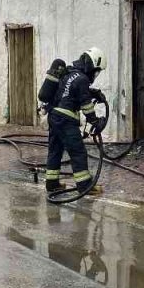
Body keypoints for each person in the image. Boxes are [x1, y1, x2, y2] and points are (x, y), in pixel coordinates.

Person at [45, 48, 107, 196]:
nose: (95, 75)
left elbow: (69, 92)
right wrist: (95, 122)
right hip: (66, 120)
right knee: (78, 152)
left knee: (55, 150)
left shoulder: (70, 73)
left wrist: (92, 92)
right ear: (93, 66)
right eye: (97, 71)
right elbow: (86, 105)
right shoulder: (82, 79)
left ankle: (52, 184)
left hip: (54, 117)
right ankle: (85, 185)